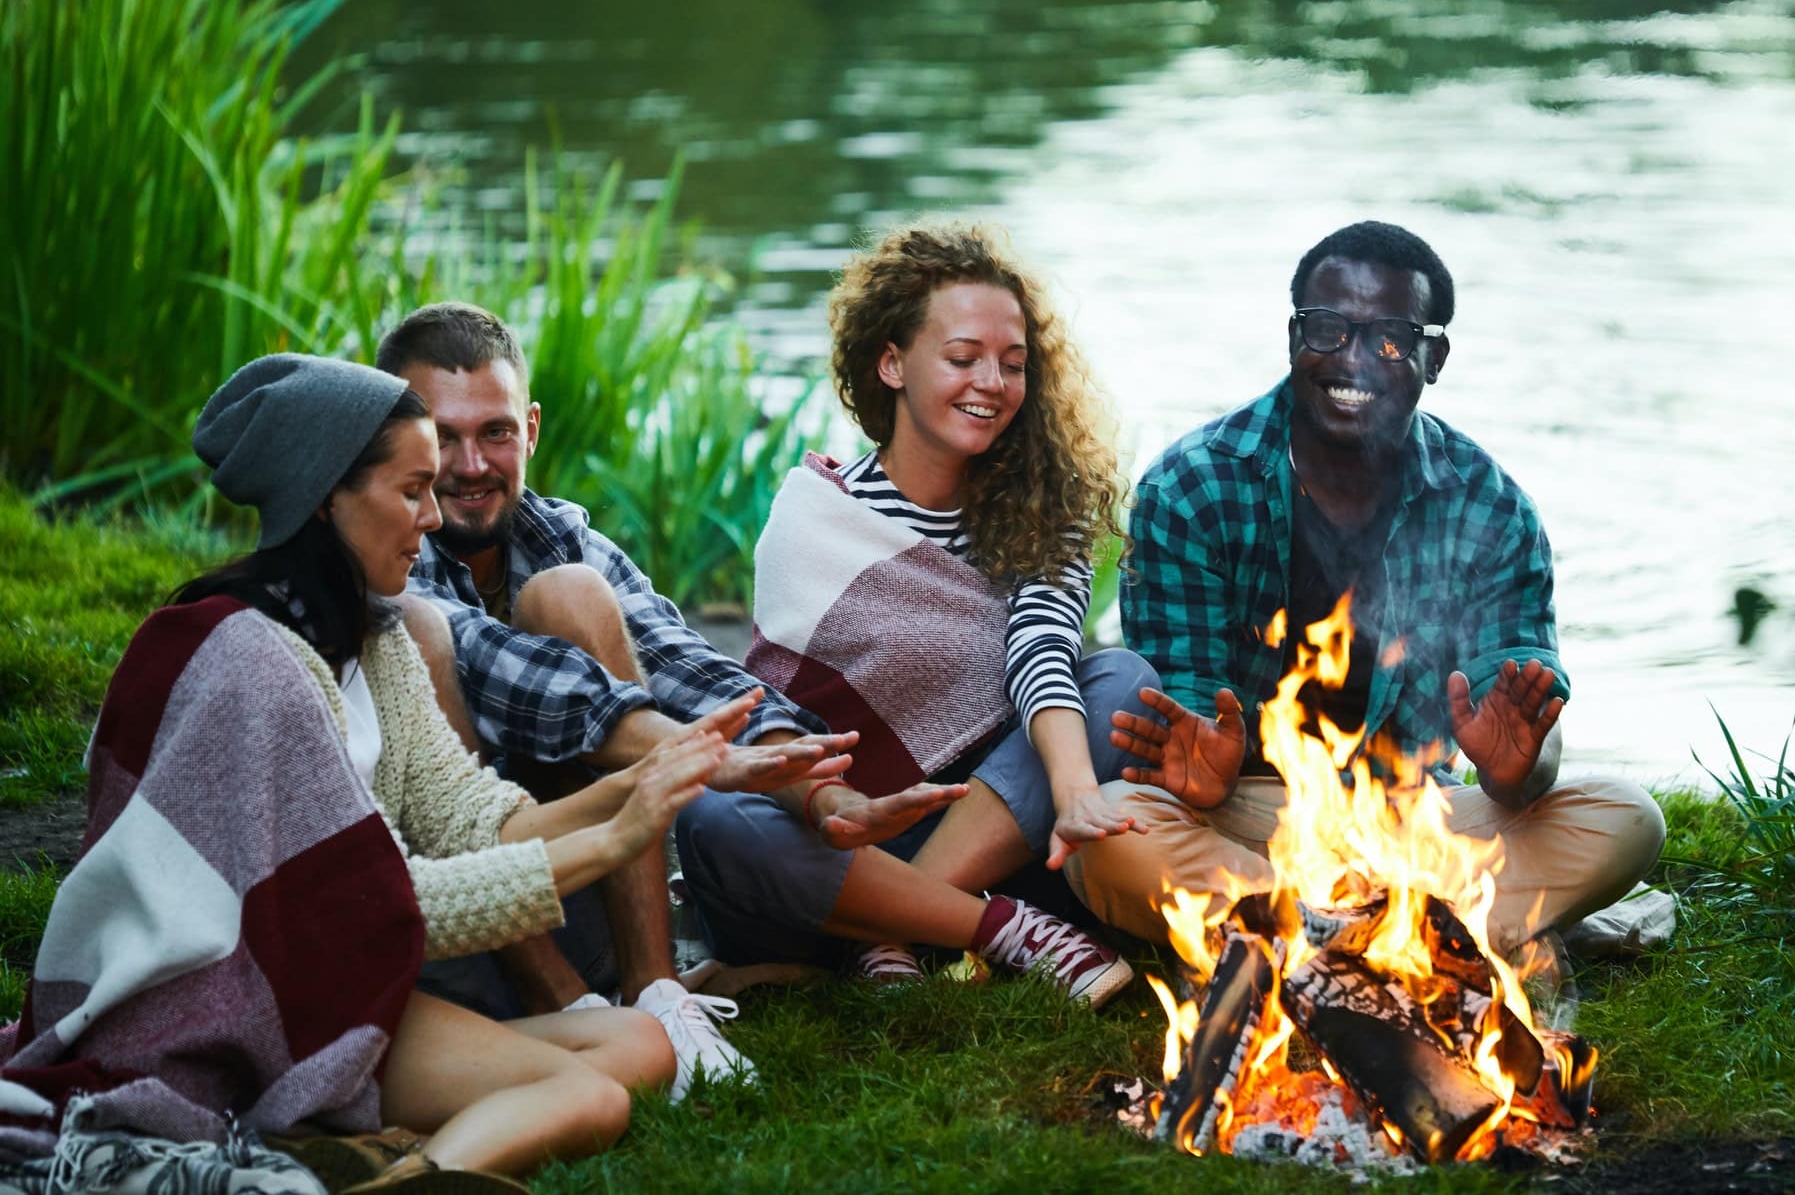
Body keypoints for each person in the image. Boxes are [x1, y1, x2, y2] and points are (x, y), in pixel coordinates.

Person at [0, 355, 714, 1190]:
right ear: (328, 495)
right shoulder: (245, 665)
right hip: (223, 1008)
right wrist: (619, 835)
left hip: (330, 987)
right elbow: (388, 906)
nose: (434, 517)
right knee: (591, 1100)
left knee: (640, 1045)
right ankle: (395, 1172)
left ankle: (352, 1152)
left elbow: (466, 816)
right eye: (412, 489)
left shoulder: (372, 637)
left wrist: (651, 774)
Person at [1066, 221, 1666, 958]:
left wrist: (1519, 771)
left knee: (1626, 816)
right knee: (1114, 830)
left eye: (1388, 338)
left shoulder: (1488, 505)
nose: (1353, 359)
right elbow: (1188, 707)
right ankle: (1415, 942)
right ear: (1294, 338)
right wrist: (1203, 776)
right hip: (1253, 811)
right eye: (1327, 329)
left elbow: (1523, 714)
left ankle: (1301, 942)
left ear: (1432, 356)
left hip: (1417, 818)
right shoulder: (1192, 487)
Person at [375, 305, 853, 1096]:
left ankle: (654, 994)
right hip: (448, 924)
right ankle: (564, 1005)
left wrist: (814, 779)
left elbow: (683, 662)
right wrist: (695, 756)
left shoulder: (556, 535)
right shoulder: (388, 548)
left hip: (574, 886)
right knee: (431, 635)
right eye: (440, 436)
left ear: (529, 429)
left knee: (573, 594)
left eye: (493, 431)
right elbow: (497, 665)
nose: (468, 464)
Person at [674, 221, 1150, 1008]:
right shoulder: (816, 513)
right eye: (963, 358)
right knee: (712, 811)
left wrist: (1072, 791)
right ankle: (972, 927)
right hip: (835, 827)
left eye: (1013, 363)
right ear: (891, 363)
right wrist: (839, 807)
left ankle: (885, 928)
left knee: (1120, 680)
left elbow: (1041, 648)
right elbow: (784, 716)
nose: (991, 382)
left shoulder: (1047, 512)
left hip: (984, 822)